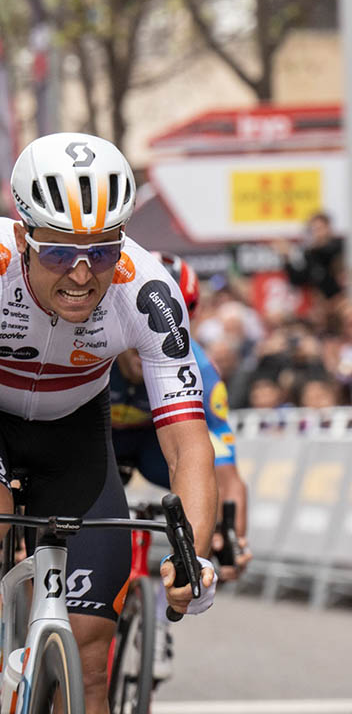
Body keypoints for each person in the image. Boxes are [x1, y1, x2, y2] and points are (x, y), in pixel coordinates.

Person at [3, 132, 217, 713]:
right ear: (23, 238)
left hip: (76, 433)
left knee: (91, 650)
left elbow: (188, 443)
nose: (80, 274)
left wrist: (192, 552)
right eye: (57, 252)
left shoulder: (146, 291)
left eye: (100, 251)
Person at [110, 251, 251, 682]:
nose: (153, 329)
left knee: (198, 477)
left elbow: (224, 473)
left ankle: (155, 616)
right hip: (103, 442)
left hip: (159, 448)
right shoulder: (93, 345)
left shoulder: (203, 372)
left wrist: (230, 538)